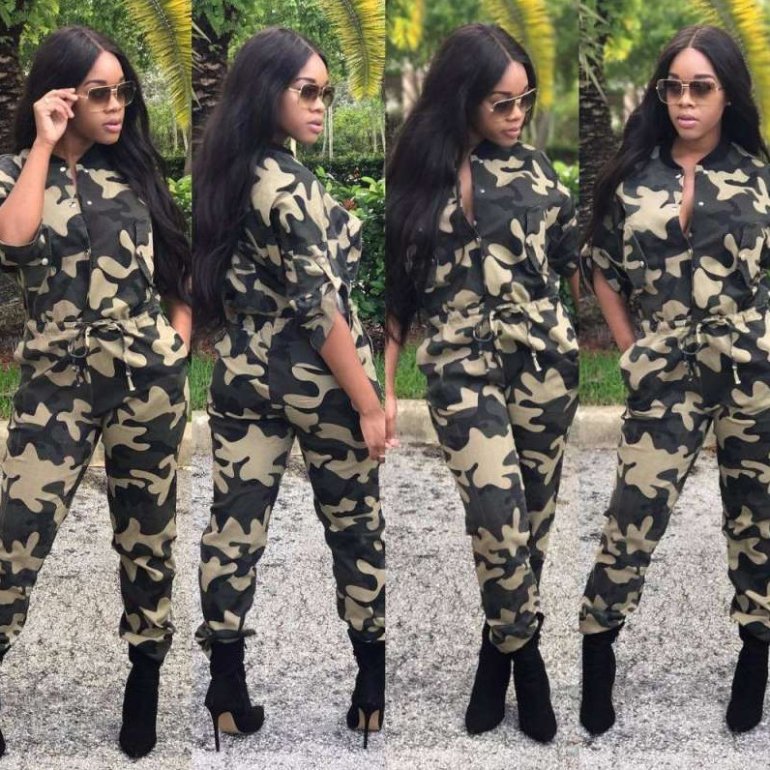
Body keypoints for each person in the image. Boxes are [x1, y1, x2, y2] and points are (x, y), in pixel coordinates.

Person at [193, 26, 389, 751]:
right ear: (266, 90)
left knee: (233, 530)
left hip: (242, 375)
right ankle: (370, 692)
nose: (318, 105)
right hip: (319, 380)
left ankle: (226, 691)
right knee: (354, 526)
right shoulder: (288, 184)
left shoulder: (227, 170)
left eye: (325, 94)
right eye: (306, 90)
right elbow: (319, 308)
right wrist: (368, 402)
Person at [0, 26, 191, 758]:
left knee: (148, 539)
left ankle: (144, 681)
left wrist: (175, 342)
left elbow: (180, 270)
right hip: (55, 389)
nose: (116, 106)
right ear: (61, 97)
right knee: (15, 539)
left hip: (146, 384)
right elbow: (14, 243)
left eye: (123, 91)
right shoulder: (16, 170)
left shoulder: (136, 173)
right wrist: (44, 146)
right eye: (99, 93)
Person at [386, 23, 579, 743]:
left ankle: (492, 660)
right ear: (462, 96)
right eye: (502, 102)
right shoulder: (417, 173)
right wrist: (383, 389)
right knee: (496, 516)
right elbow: (400, 293)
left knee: (530, 529)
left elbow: (571, 261)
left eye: (526, 99)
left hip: (544, 368)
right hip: (459, 373)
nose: (517, 114)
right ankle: (529, 661)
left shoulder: (538, 172)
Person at [579, 24, 770, 736]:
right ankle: (598, 651)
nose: (686, 101)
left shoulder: (759, 177)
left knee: (759, 521)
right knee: (632, 518)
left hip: (752, 378)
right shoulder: (636, 178)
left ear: (728, 94)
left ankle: (755, 658)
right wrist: (632, 349)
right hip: (667, 380)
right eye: (675, 87)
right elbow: (601, 267)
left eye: (702, 88)